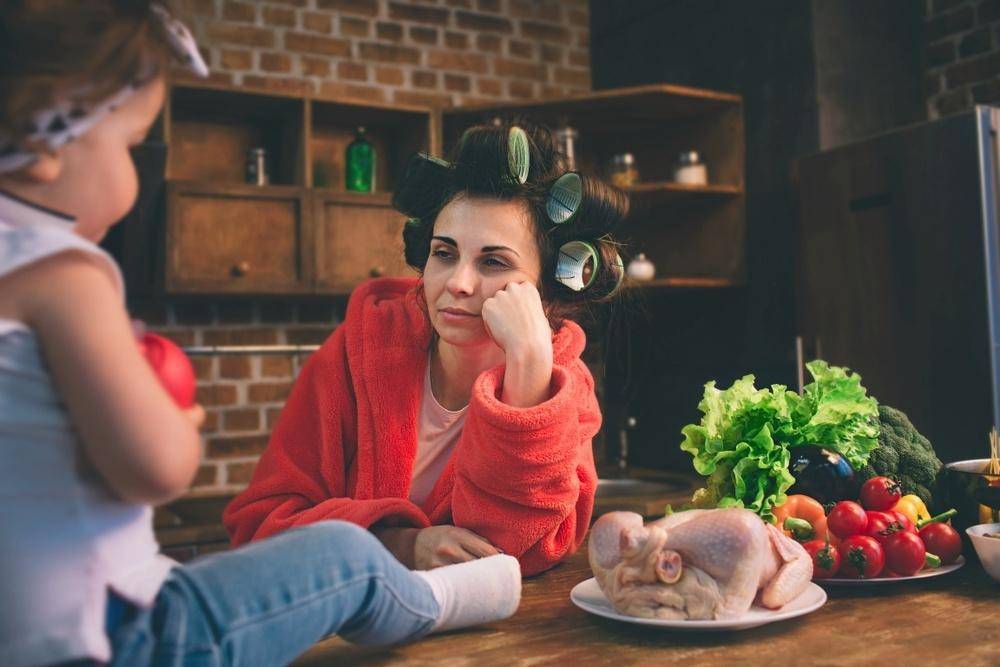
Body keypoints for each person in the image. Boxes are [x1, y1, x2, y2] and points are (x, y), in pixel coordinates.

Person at [0, 4, 520, 666]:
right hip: (116, 634)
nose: (461, 283)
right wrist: (171, 423)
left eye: (493, 261)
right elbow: (155, 468)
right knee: (346, 556)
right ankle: (439, 601)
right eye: (131, 147)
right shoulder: (66, 276)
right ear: (45, 145)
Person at [223, 117, 630, 575]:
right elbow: (257, 524)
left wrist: (530, 374)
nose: (457, 282)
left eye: (494, 262)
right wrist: (397, 545)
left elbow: (525, 549)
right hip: (348, 631)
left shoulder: (563, 388)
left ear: (548, 290)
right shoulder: (355, 354)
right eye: (444, 253)